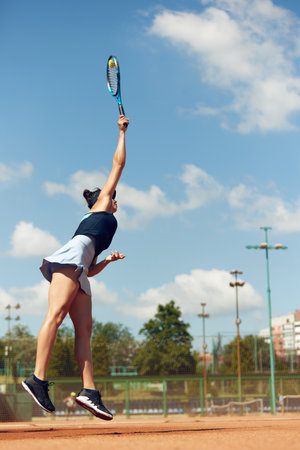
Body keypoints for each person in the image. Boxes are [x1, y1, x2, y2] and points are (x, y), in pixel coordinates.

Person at [22, 115, 129, 420]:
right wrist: (121, 132)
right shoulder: (101, 206)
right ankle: (37, 379)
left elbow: (90, 269)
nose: (115, 200)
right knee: (55, 317)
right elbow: (118, 166)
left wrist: (106, 261)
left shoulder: (101, 226)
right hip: (72, 257)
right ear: (102, 200)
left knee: (84, 331)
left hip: (82, 265)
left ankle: (89, 392)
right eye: (112, 197)